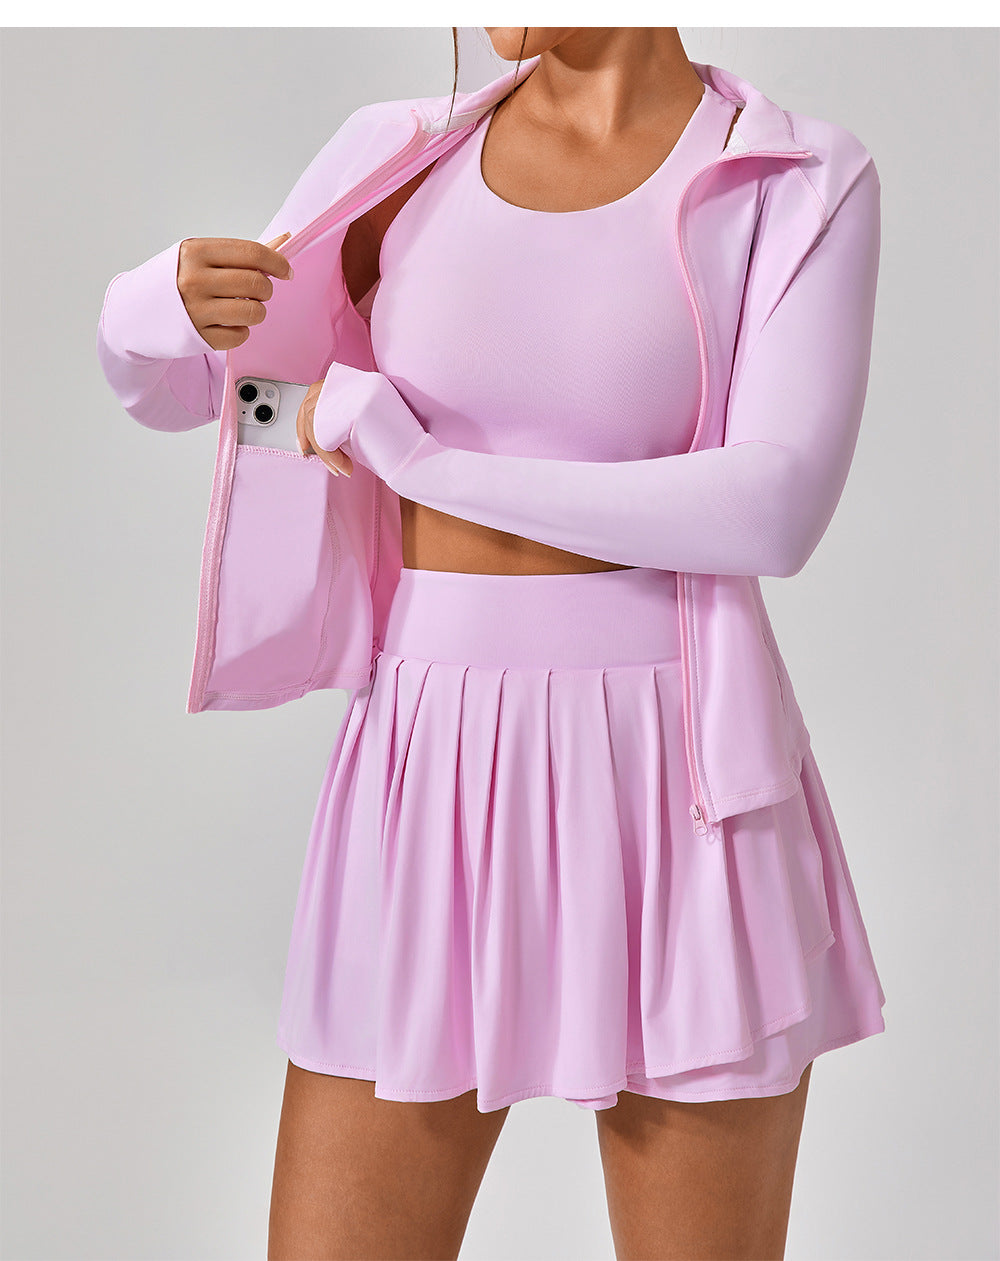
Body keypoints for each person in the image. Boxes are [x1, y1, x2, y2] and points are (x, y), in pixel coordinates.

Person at [97, 26, 887, 1260]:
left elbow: (771, 509)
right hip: (426, 766)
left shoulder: (791, 175)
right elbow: (220, 394)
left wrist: (425, 466)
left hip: (683, 786)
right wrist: (149, 305)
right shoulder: (396, 156)